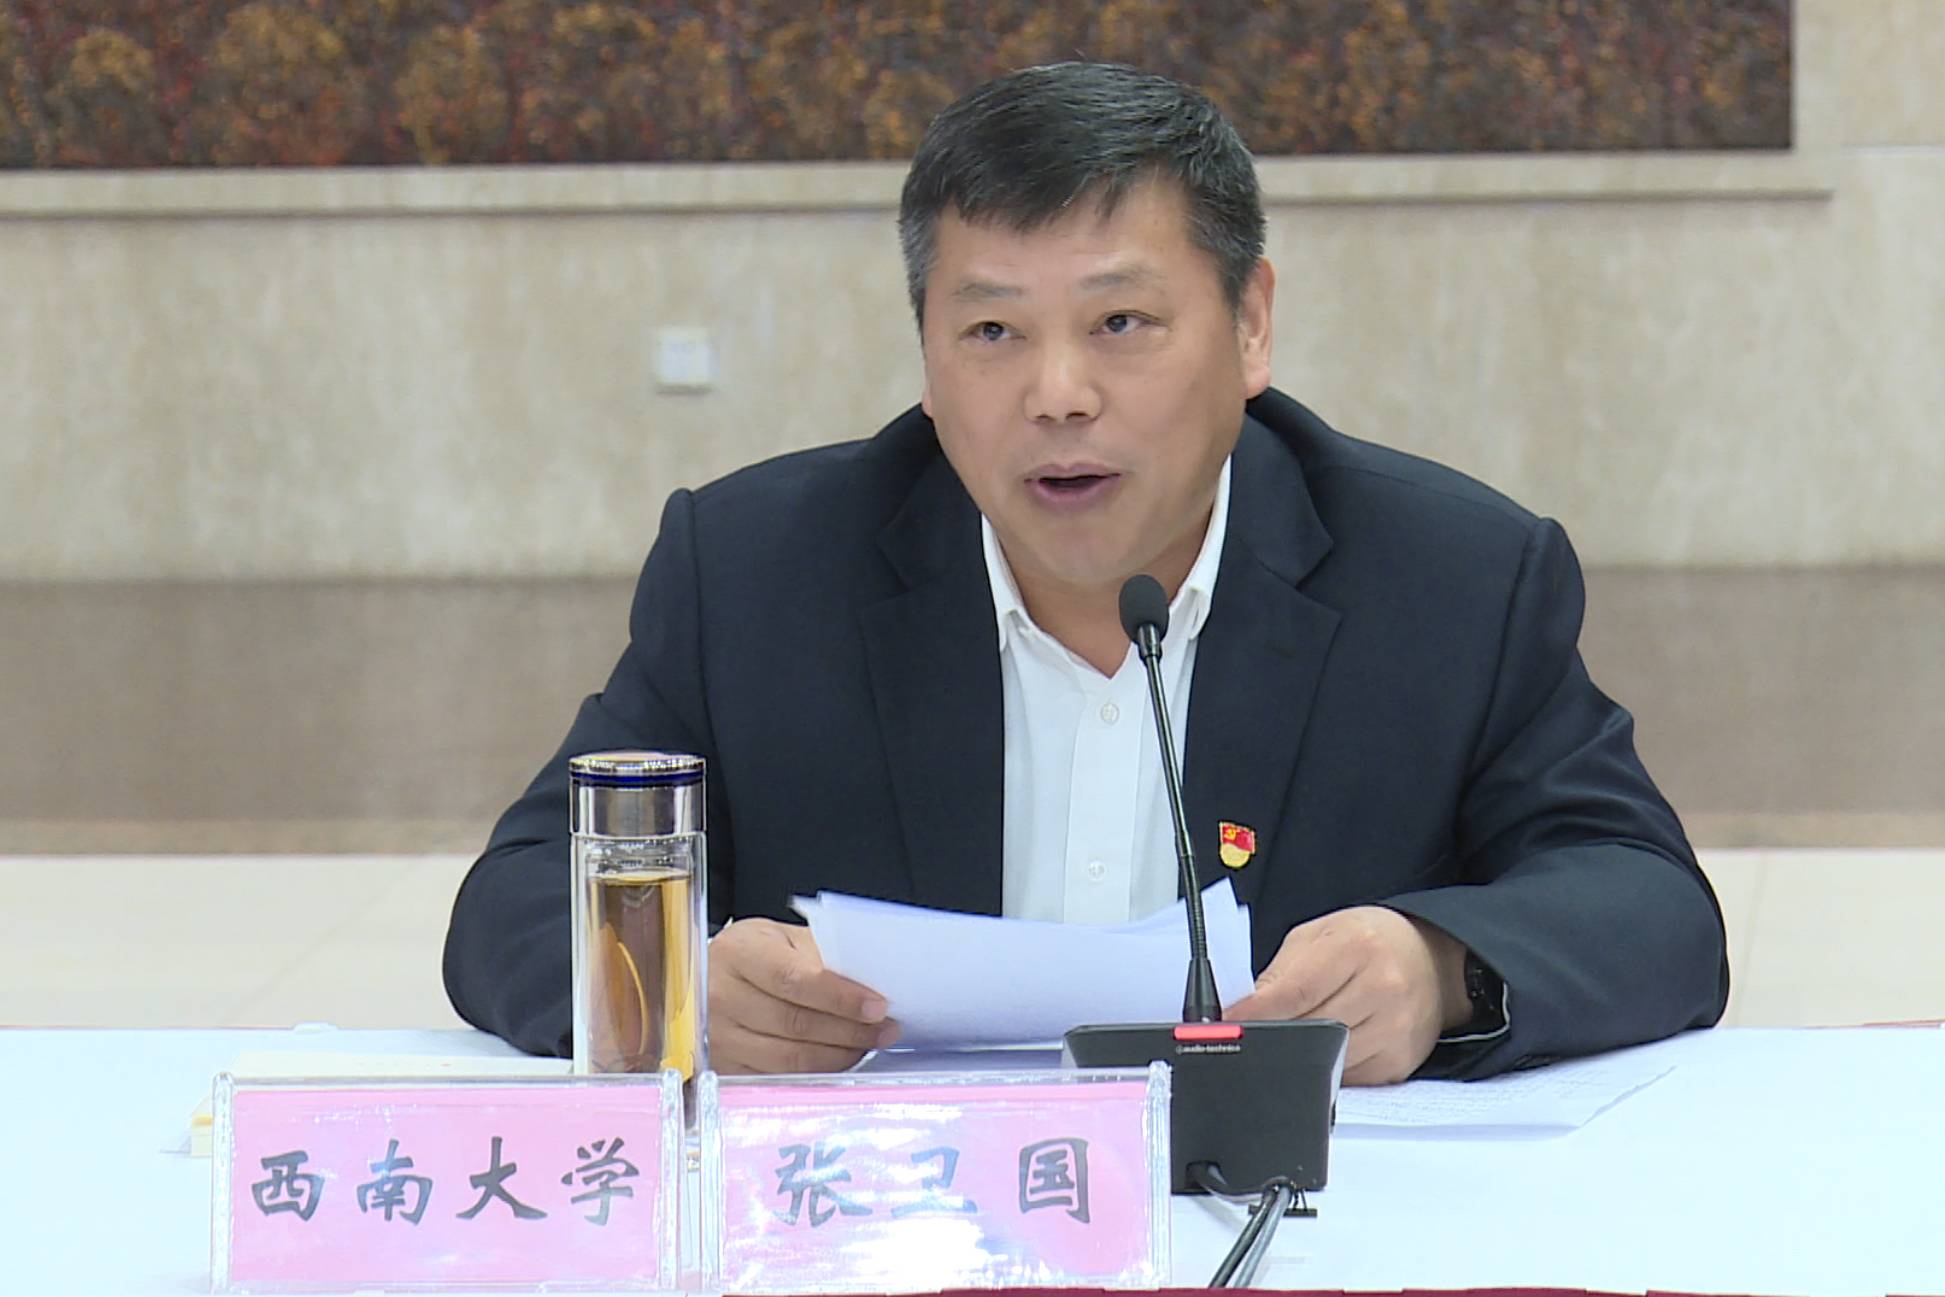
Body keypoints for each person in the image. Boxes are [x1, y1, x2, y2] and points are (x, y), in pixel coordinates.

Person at [443, 63, 1727, 1086]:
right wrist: (675, 987)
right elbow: (518, 897)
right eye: (992, 330)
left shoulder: (1450, 577)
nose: (1057, 394)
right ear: (928, 355)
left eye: (1120, 323)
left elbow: (1647, 901)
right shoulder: (755, 571)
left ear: (1250, 325)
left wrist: (1440, 965)